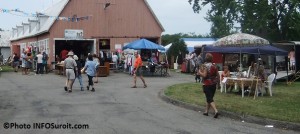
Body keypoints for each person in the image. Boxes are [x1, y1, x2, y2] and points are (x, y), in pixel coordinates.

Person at [198, 53, 219, 118]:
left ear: (206, 58)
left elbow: (204, 75)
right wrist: (218, 83)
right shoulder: (214, 66)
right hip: (213, 84)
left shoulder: (205, 66)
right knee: (209, 98)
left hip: (207, 84)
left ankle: (216, 111)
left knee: (209, 98)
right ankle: (206, 111)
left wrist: (199, 72)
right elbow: (218, 75)